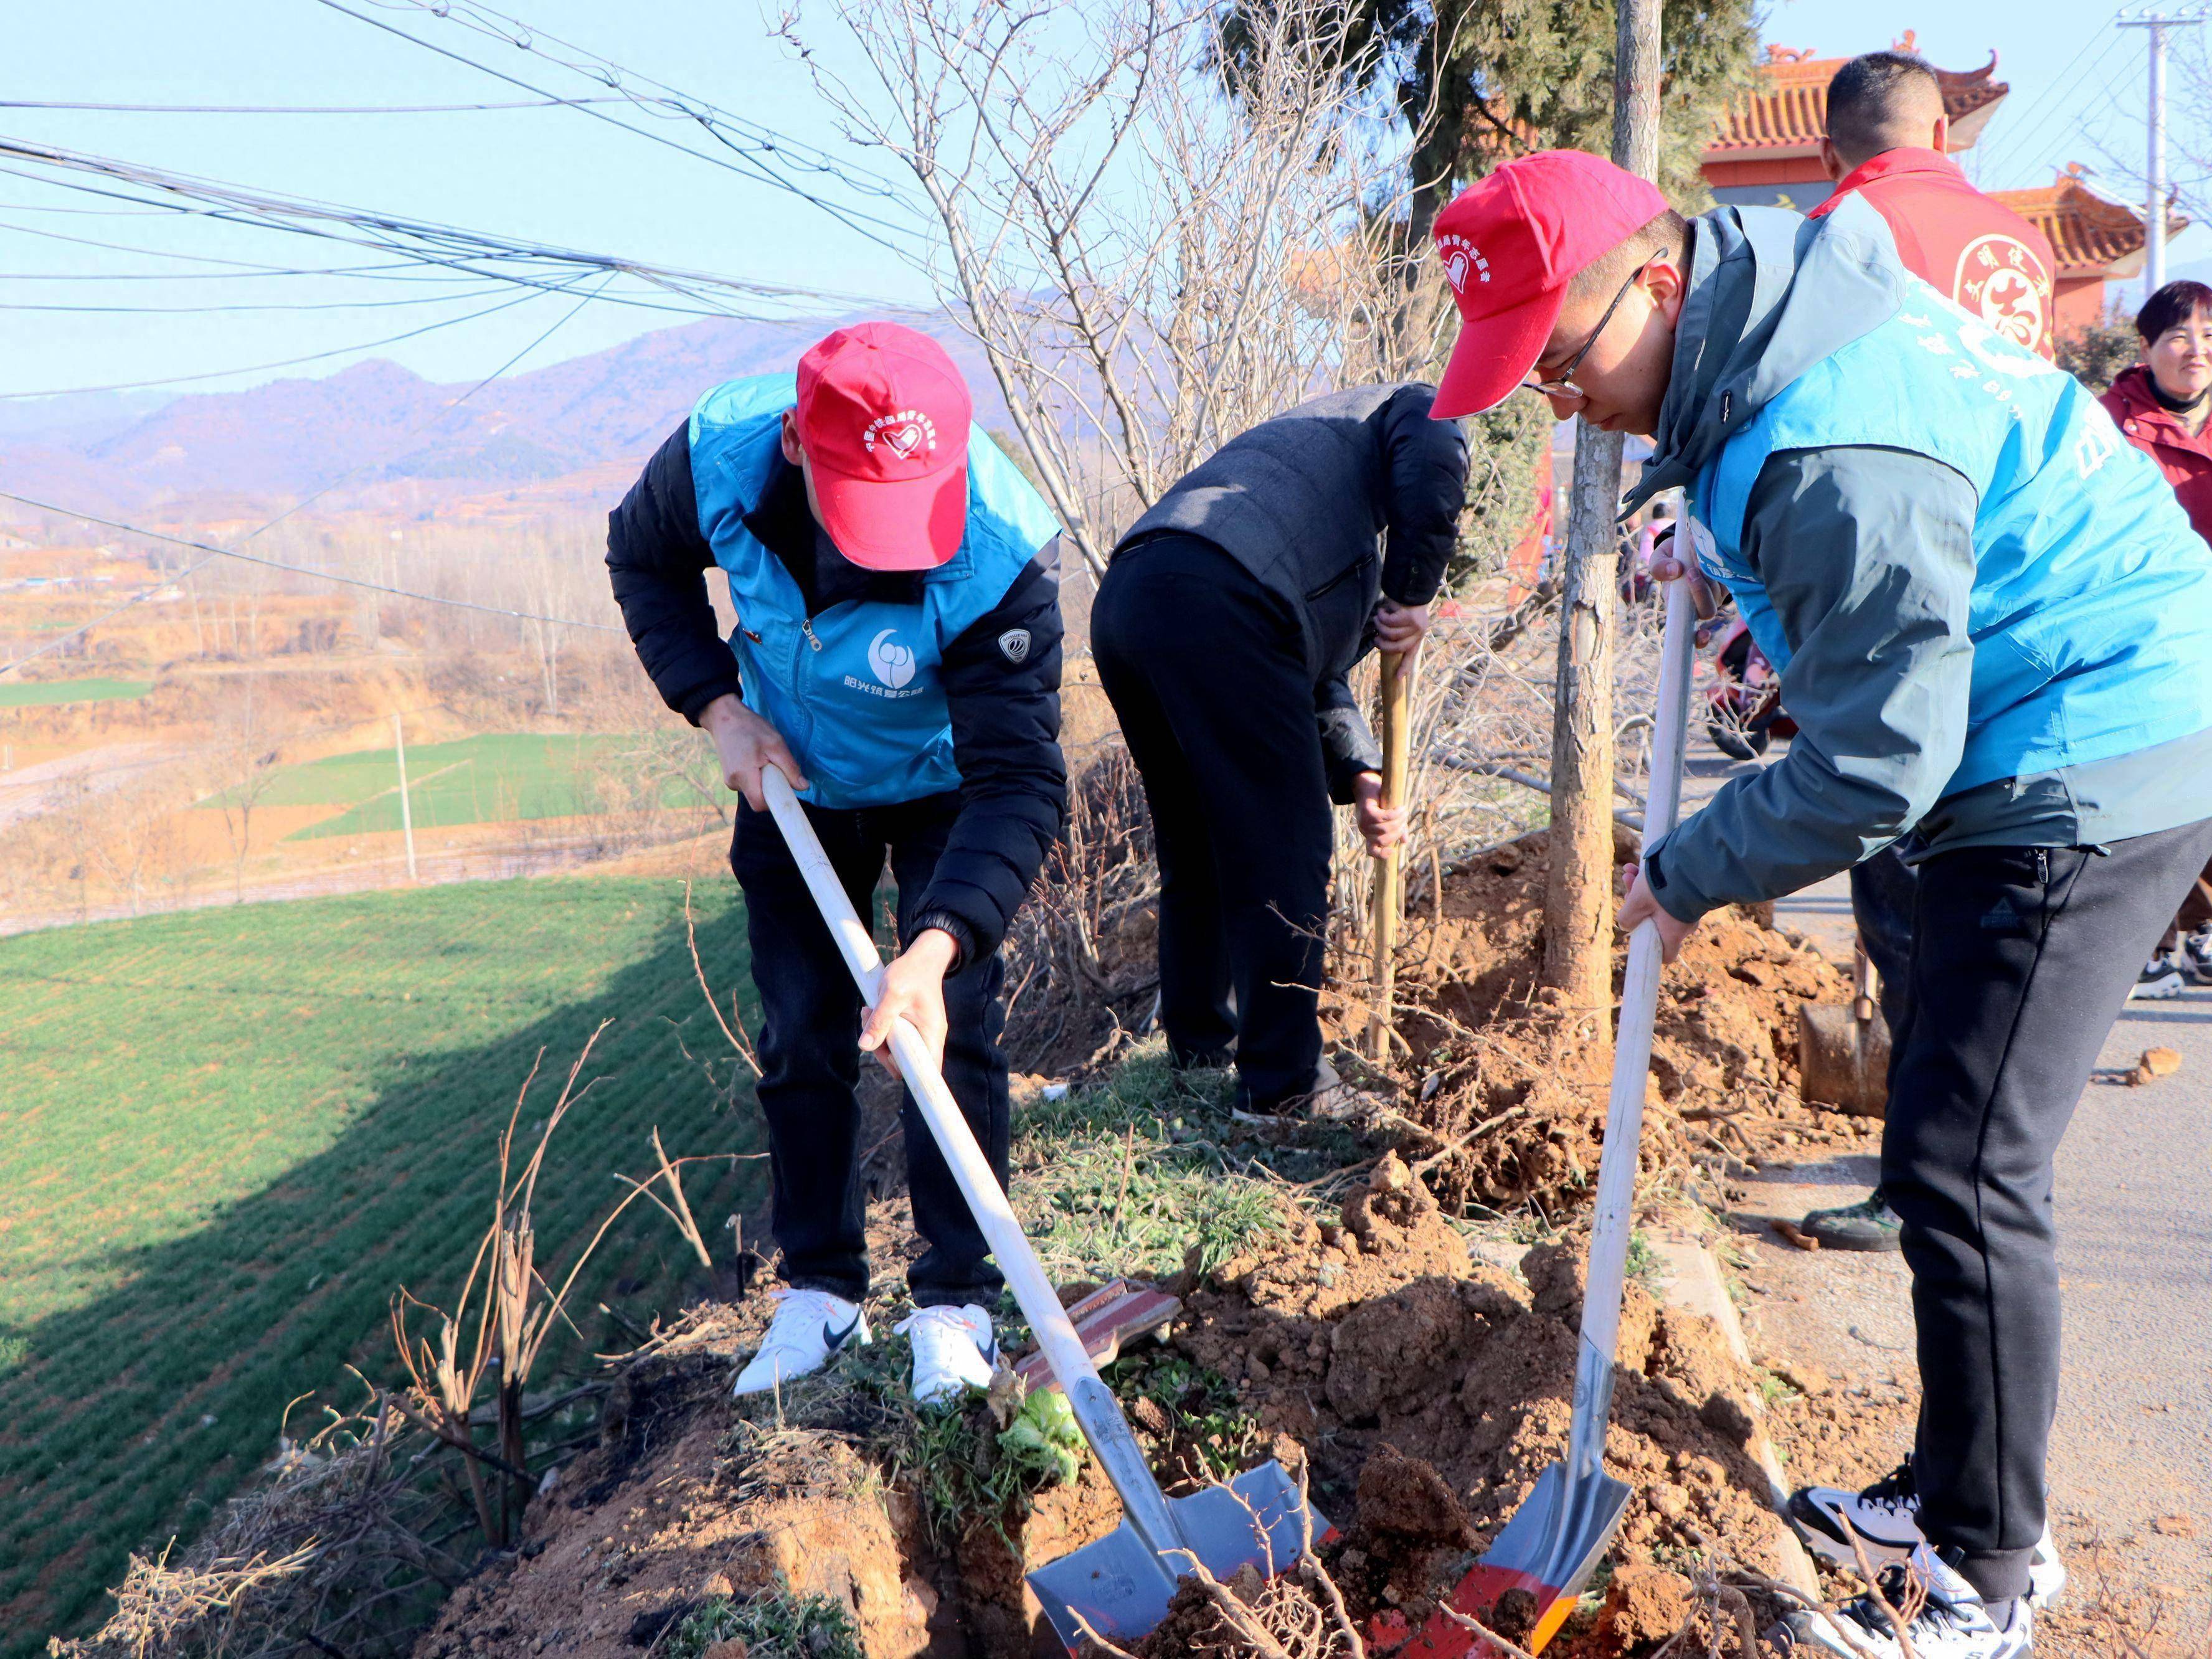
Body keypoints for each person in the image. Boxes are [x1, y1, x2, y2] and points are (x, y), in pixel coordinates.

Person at [1429, 148, 2212, 1658]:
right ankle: (1958, 1488)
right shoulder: (1769, 313)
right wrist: (1701, 530)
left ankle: (1987, 1578)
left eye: (1560, 359)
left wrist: (1686, 873)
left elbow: (1874, 762)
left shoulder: (1820, 446)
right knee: (1943, 1134)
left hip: (2088, 733)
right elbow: (1815, 513)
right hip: (2020, 710)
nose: (1558, 399)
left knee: (1963, 1162)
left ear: (1654, 284)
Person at [604, 321, 1066, 1404]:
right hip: (790, 772)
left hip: (948, 779)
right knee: (800, 1027)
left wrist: (937, 943)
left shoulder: (996, 545)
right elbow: (643, 559)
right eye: (866, 506)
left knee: (948, 1031)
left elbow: (1020, 780)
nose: (886, 547)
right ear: (798, 447)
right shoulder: (716, 455)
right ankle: (819, 1288)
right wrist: (716, 706)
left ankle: (955, 1299)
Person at [1795, 49, 2061, 1251]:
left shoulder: (1843, 229)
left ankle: (1922, 1175)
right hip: (2031, 584)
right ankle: (1981, 1154)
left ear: (1827, 152)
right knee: (1977, 889)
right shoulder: (2014, 240)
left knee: (1899, 886)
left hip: (1914, 590)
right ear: (1948, 135)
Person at [1092, 386, 1469, 1115]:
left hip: (1134, 598)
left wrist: (1361, 771)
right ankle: (1283, 1085)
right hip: (1220, 598)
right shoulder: (1414, 404)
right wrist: (1415, 588)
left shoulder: (1307, 489)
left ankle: (1202, 1046)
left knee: (1198, 838)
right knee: (1286, 844)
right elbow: (1436, 438)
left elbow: (1304, 670)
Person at [2100, 280, 2212, 996]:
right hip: (2147, 630)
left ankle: (2203, 933)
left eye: (2208, 337)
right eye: (2178, 336)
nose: (2196, 351)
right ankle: (2150, 938)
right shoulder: (2108, 425)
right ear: (2146, 349)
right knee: (2155, 783)